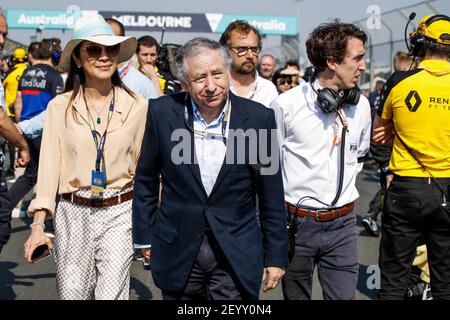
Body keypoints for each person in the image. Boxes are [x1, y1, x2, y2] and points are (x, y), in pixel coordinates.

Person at [132, 37, 287, 300]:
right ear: (185, 82)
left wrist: (276, 256)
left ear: (227, 71)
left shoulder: (258, 118)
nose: (211, 86)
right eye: (200, 78)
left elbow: (270, 191)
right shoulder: (162, 112)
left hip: (237, 250)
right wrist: (144, 237)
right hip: (178, 248)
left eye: (217, 74)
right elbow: (146, 179)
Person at [23, 14, 148, 300]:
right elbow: (48, 170)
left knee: (111, 295)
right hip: (72, 212)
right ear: (78, 58)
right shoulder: (59, 107)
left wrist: (149, 222)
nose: (104, 57)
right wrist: (38, 225)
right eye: (93, 49)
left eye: (110, 49)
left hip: (120, 210)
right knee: (73, 294)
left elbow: (146, 168)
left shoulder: (138, 106)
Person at [271, 22, 371, 300]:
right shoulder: (286, 105)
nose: (363, 65)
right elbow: (267, 166)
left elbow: (359, 158)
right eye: (358, 58)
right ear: (332, 62)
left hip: (344, 224)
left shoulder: (361, 105)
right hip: (296, 224)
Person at [373, 14, 450, 300]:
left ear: (418, 42)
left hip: (406, 187)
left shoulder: (399, 80)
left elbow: (379, 135)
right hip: (447, 189)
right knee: (446, 281)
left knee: (393, 281)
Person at [0, 12, 30, 253]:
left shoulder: (10, 75)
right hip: (14, 127)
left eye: (4, 35)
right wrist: (22, 143)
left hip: (14, 126)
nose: (1, 40)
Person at [219, 20, 278, 107]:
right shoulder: (217, 86)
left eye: (254, 49)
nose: (250, 55)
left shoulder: (268, 89)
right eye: (242, 49)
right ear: (226, 50)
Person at [105, 18, 158, 101]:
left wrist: (154, 79)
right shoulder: (80, 80)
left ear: (122, 46)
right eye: (94, 48)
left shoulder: (143, 84)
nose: (104, 54)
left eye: (112, 46)